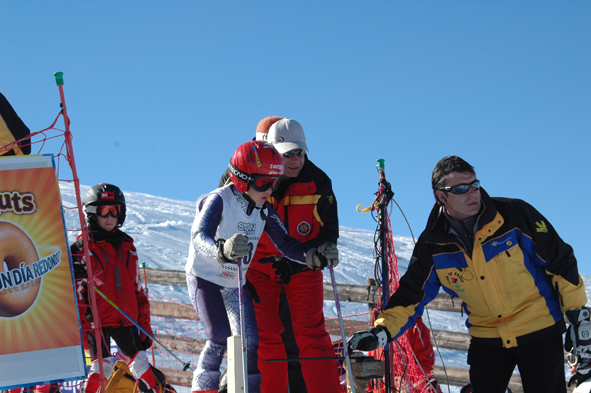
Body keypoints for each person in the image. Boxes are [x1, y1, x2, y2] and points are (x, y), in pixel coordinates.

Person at [347, 155, 588, 393]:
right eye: (461, 188)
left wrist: (578, 315)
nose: (473, 193)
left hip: (539, 329)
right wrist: (381, 331)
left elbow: (560, 263)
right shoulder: (433, 243)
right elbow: (411, 296)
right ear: (442, 196)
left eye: (475, 185)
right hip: (488, 338)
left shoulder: (515, 216)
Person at [185, 140, 339, 393]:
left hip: (233, 281)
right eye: (263, 183)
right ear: (243, 180)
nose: (270, 190)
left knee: (251, 341)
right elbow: (199, 236)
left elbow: (285, 244)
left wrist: (312, 255)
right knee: (219, 338)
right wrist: (221, 250)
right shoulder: (220, 200)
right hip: (206, 278)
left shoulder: (263, 209)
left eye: (274, 183)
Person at [246, 118, 341, 393]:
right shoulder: (253, 174)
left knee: (311, 335)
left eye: (300, 152)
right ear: (272, 150)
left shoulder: (318, 181)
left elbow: (328, 228)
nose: (296, 159)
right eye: (288, 153)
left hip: (303, 264)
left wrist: (325, 247)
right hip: (260, 268)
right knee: (265, 339)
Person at [72, 184, 162, 393]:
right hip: (96, 321)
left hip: (125, 319)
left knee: (141, 365)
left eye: (116, 210)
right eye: (104, 210)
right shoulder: (82, 248)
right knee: (100, 369)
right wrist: (83, 325)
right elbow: (77, 293)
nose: (111, 216)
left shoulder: (128, 246)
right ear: (92, 213)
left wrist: (144, 322)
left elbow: (137, 288)